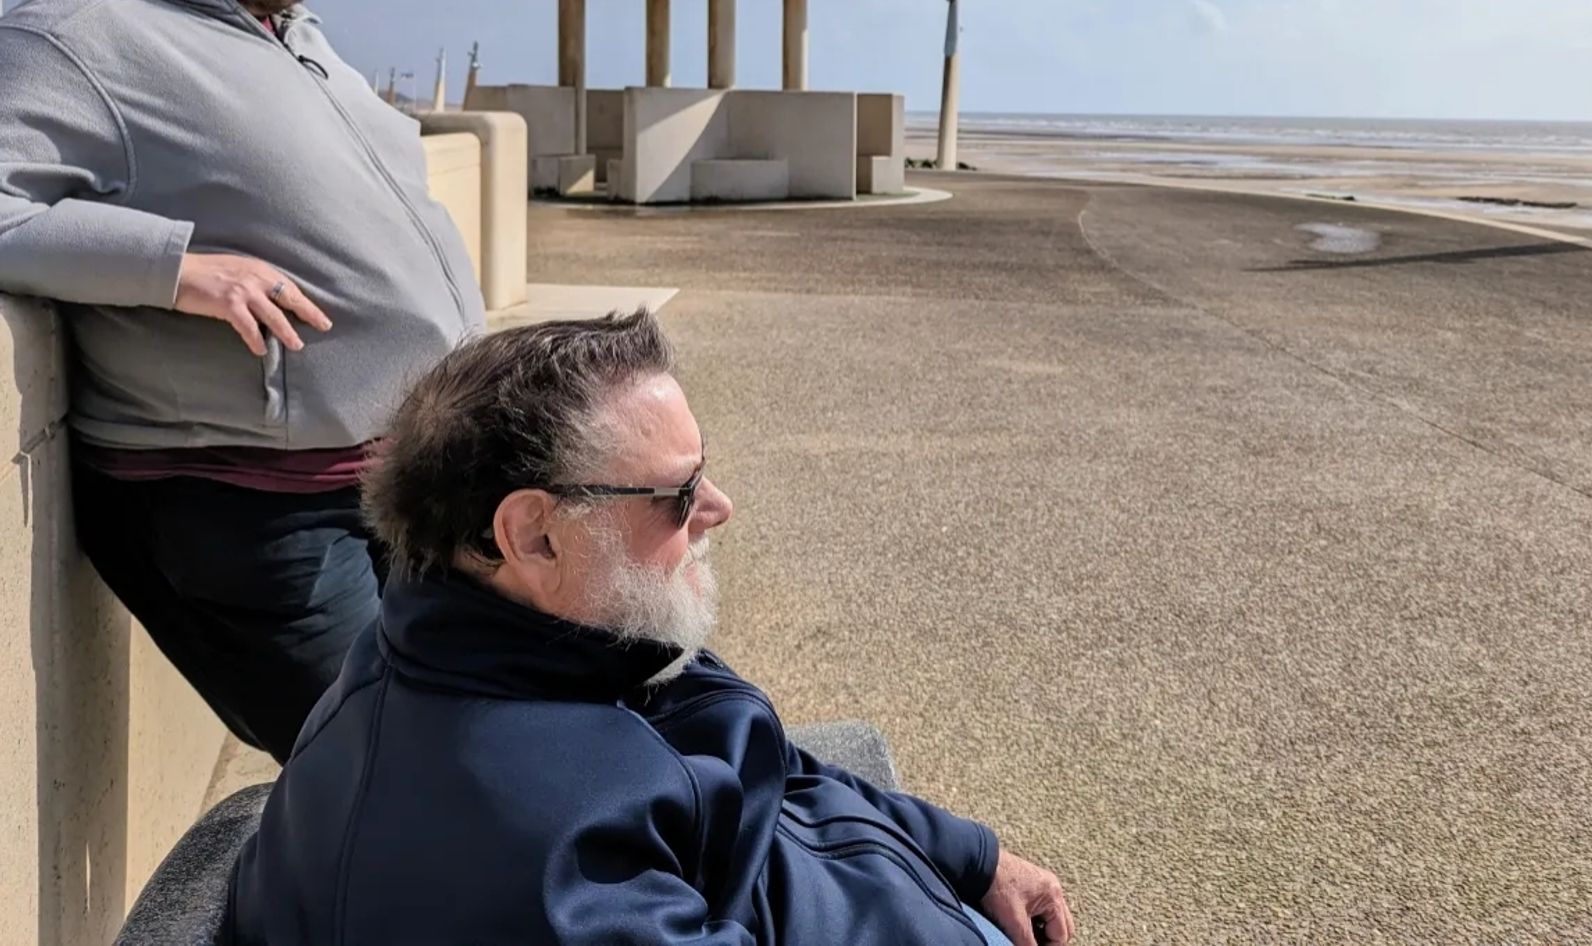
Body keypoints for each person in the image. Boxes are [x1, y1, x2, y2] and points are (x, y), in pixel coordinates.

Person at [228, 312, 1076, 946]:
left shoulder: (544, 635)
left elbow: (770, 768)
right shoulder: (546, 868)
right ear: (533, 534)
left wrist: (971, 856)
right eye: (678, 493)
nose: (718, 508)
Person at [0, 0, 483, 757]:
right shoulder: (77, 37)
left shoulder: (293, 37)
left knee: (475, 734)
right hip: (252, 506)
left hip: (394, 475)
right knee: (387, 766)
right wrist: (175, 266)